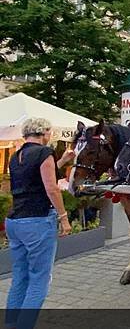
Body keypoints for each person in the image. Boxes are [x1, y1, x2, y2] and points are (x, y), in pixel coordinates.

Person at [5, 118, 73, 329]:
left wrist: (61, 161)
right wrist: (64, 218)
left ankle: (11, 324)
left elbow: (35, 177)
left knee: (20, 276)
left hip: (14, 221)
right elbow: (51, 188)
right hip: (37, 221)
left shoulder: (16, 156)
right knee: (39, 280)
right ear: (43, 132)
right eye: (49, 132)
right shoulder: (44, 153)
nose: (50, 136)